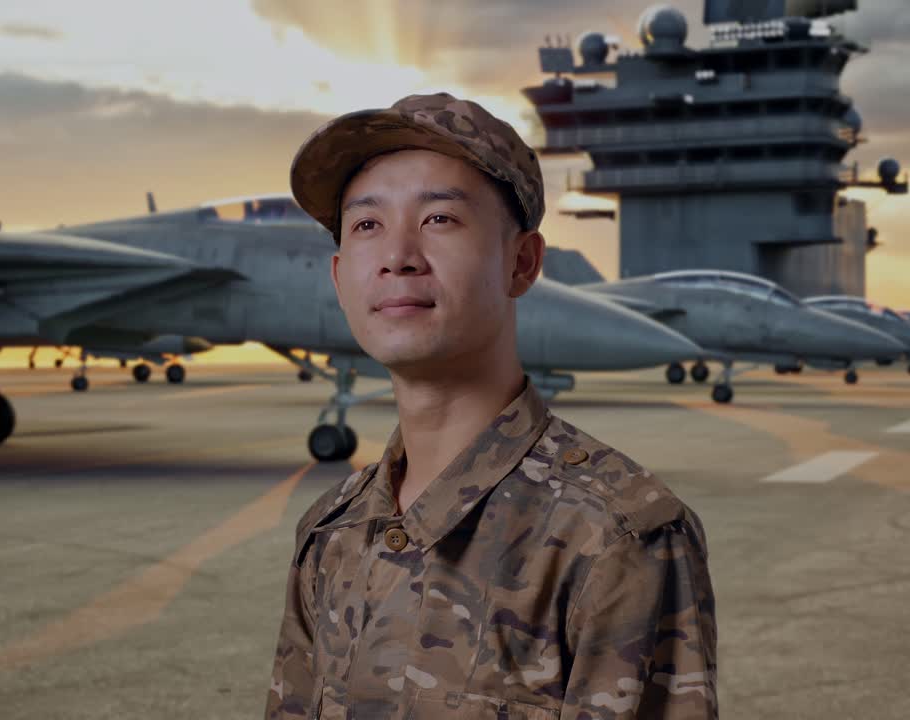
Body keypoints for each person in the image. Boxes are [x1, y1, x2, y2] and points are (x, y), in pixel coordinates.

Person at [266, 92, 716, 719]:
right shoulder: (330, 532)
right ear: (340, 276)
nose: (397, 257)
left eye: (440, 219)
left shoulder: (614, 539)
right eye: (367, 224)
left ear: (523, 261)